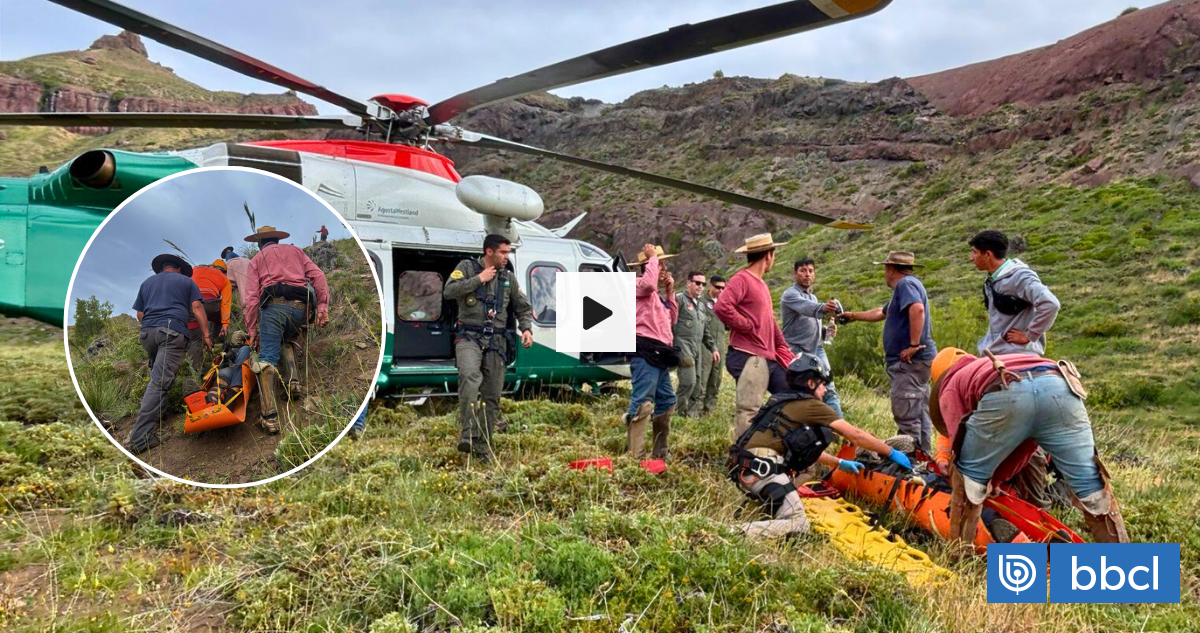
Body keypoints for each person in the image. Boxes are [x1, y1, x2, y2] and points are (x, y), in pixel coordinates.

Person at [929, 347, 1128, 545]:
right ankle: (1122, 558)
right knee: (1095, 492)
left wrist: (979, 480)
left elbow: (959, 445)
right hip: (1061, 386)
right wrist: (996, 481)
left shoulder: (950, 386)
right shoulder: (989, 365)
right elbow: (1027, 444)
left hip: (1006, 392)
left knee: (967, 482)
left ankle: (960, 552)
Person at [728, 353, 913, 539]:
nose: (824, 389)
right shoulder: (812, 405)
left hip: (748, 468)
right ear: (811, 383)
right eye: (822, 384)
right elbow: (856, 435)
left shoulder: (782, 401)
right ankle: (733, 532)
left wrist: (839, 463)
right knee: (799, 523)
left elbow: (797, 450)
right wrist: (891, 451)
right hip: (764, 471)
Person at [443, 234, 534, 463]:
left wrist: (526, 329)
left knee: (492, 394)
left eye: (508, 253)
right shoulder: (466, 268)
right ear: (489, 251)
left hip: (496, 341)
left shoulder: (508, 278)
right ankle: (468, 434)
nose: (506, 257)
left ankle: (483, 447)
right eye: (503, 252)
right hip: (468, 337)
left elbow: (523, 307)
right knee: (469, 377)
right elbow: (449, 291)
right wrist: (478, 280)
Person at [840, 251, 938, 453]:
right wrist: (852, 316)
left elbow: (917, 309)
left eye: (885, 268)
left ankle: (910, 461)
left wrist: (913, 345)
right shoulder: (909, 287)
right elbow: (881, 312)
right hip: (921, 362)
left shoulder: (906, 284)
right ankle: (924, 457)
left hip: (910, 363)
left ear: (891, 269)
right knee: (920, 414)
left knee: (907, 416)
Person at [243, 225, 331, 434]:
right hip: (301, 309)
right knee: (286, 338)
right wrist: (322, 307)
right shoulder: (296, 252)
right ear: (277, 239)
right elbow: (319, 276)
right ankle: (293, 383)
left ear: (259, 243)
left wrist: (252, 330)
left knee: (267, 358)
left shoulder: (257, 259)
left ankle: (269, 417)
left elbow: (251, 299)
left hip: (274, 307)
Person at [713, 234, 795, 440]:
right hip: (748, 355)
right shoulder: (742, 279)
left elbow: (769, 321)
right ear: (768, 255)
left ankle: (772, 443)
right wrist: (747, 325)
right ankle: (743, 454)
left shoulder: (762, 285)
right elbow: (722, 306)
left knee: (791, 396)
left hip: (765, 357)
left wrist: (783, 346)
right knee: (749, 409)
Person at [127, 254, 209, 454]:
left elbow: (139, 314)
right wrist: (206, 335)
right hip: (171, 332)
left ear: (163, 268)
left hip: (147, 334)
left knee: (157, 377)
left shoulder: (147, 283)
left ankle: (159, 417)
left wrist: (152, 327)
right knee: (159, 382)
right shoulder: (187, 282)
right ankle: (140, 439)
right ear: (179, 268)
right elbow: (197, 307)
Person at [624, 244, 679, 459]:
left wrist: (670, 291)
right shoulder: (636, 285)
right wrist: (653, 257)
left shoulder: (656, 295)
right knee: (642, 403)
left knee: (667, 401)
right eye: (660, 263)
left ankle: (659, 454)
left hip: (659, 353)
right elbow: (648, 284)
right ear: (649, 265)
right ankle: (635, 456)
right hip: (644, 350)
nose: (663, 267)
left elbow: (672, 318)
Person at [969, 230, 1060, 355]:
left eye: (974, 252)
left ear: (988, 254)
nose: (971, 258)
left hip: (1017, 354)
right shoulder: (991, 279)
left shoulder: (1021, 277)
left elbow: (1050, 303)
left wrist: (1030, 335)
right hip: (996, 353)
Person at [780, 258, 844, 417]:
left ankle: (837, 425)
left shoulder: (813, 297)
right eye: (803, 271)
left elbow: (810, 323)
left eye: (810, 271)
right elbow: (808, 309)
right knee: (803, 391)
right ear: (795, 273)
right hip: (797, 350)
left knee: (828, 387)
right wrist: (824, 307)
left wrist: (825, 331)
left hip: (816, 348)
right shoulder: (790, 294)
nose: (807, 274)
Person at [673, 271, 708, 418]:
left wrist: (713, 348)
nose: (701, 286)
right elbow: (669, 322)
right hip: (683, 346)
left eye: (703, 284)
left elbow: (705, 329)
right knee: (688, 381)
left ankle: (692, 415)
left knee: (697, 383)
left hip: (697, 347)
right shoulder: (679, 299)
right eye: (697, 283)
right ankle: (678, 413)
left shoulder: (701, 305)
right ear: (688, 283)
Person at [186, 259, 232, 371]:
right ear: (224, 271)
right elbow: (225, 303)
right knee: (217, 316)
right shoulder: (224, 277)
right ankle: (215, 341)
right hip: (211, 306)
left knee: (194, 339)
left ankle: (196, 370)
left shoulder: (196, 269)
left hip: (192, 305)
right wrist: (225, 323)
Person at [698, 275, 727, 415]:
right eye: (717, 287)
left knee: (716, 378)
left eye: (723, 288)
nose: (720, 290)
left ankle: (709, 409)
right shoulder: (701, 301)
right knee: (703, 376)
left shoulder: (724, 303)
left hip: (720, 343)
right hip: (704, 345)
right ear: (710, 286)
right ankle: (696, 408)